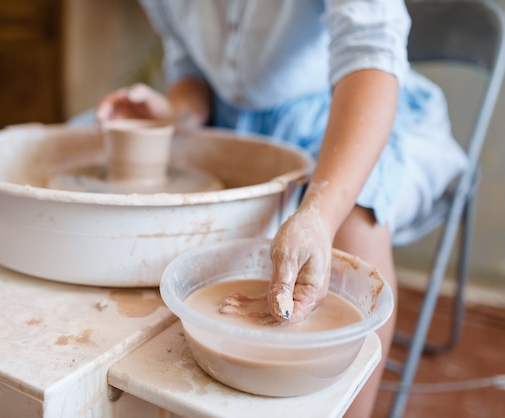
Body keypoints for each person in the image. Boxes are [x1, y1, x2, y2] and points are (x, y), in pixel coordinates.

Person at [93, 1, 468, 416]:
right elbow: (191, 73)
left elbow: (370, 54)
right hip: (232, 119)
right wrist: (174, 117)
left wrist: (319, 214)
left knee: (353, 228)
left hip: (344, 110)